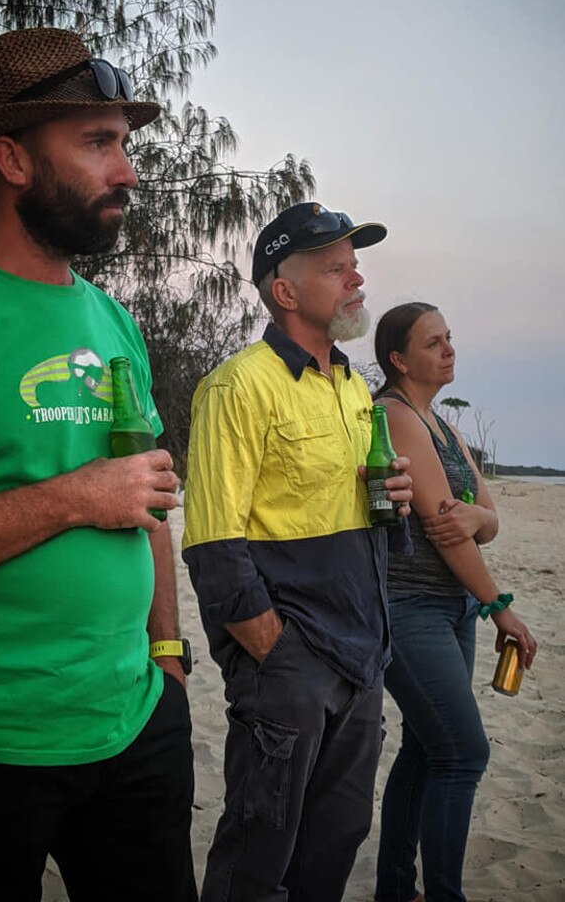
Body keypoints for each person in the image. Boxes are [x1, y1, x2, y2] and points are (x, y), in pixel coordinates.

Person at [0, 27, 198, 902]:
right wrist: (77, 497)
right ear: (12, 158)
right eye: (97, 143)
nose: (129, 170)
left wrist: (168, 654)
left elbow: (147, 499)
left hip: (136, 720)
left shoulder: (111, 320)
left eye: (126, 143)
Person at [182, 202, 414, 902]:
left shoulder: (352, 387)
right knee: (260, 852)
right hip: (291, 661)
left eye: (355, 265)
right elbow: (213, 541)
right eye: (336, 268)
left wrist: (394, 500)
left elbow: (357, 516)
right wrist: (274, 651)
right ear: (285, 291)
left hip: (363, 655)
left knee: (334, 844)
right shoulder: (238, 385)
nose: (356, 279)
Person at [371, 301, 538, 902]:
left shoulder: (444, 427)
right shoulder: (393, 414)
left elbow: (485, 520)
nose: (449, 349)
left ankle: (395, 889)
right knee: (463, 752)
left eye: (450, 338)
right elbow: (448, 532)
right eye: (433, 341)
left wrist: (477, 519)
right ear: (398, 359)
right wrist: (501, 607)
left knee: (427, 745)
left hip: (451, 610)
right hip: (409, 608)